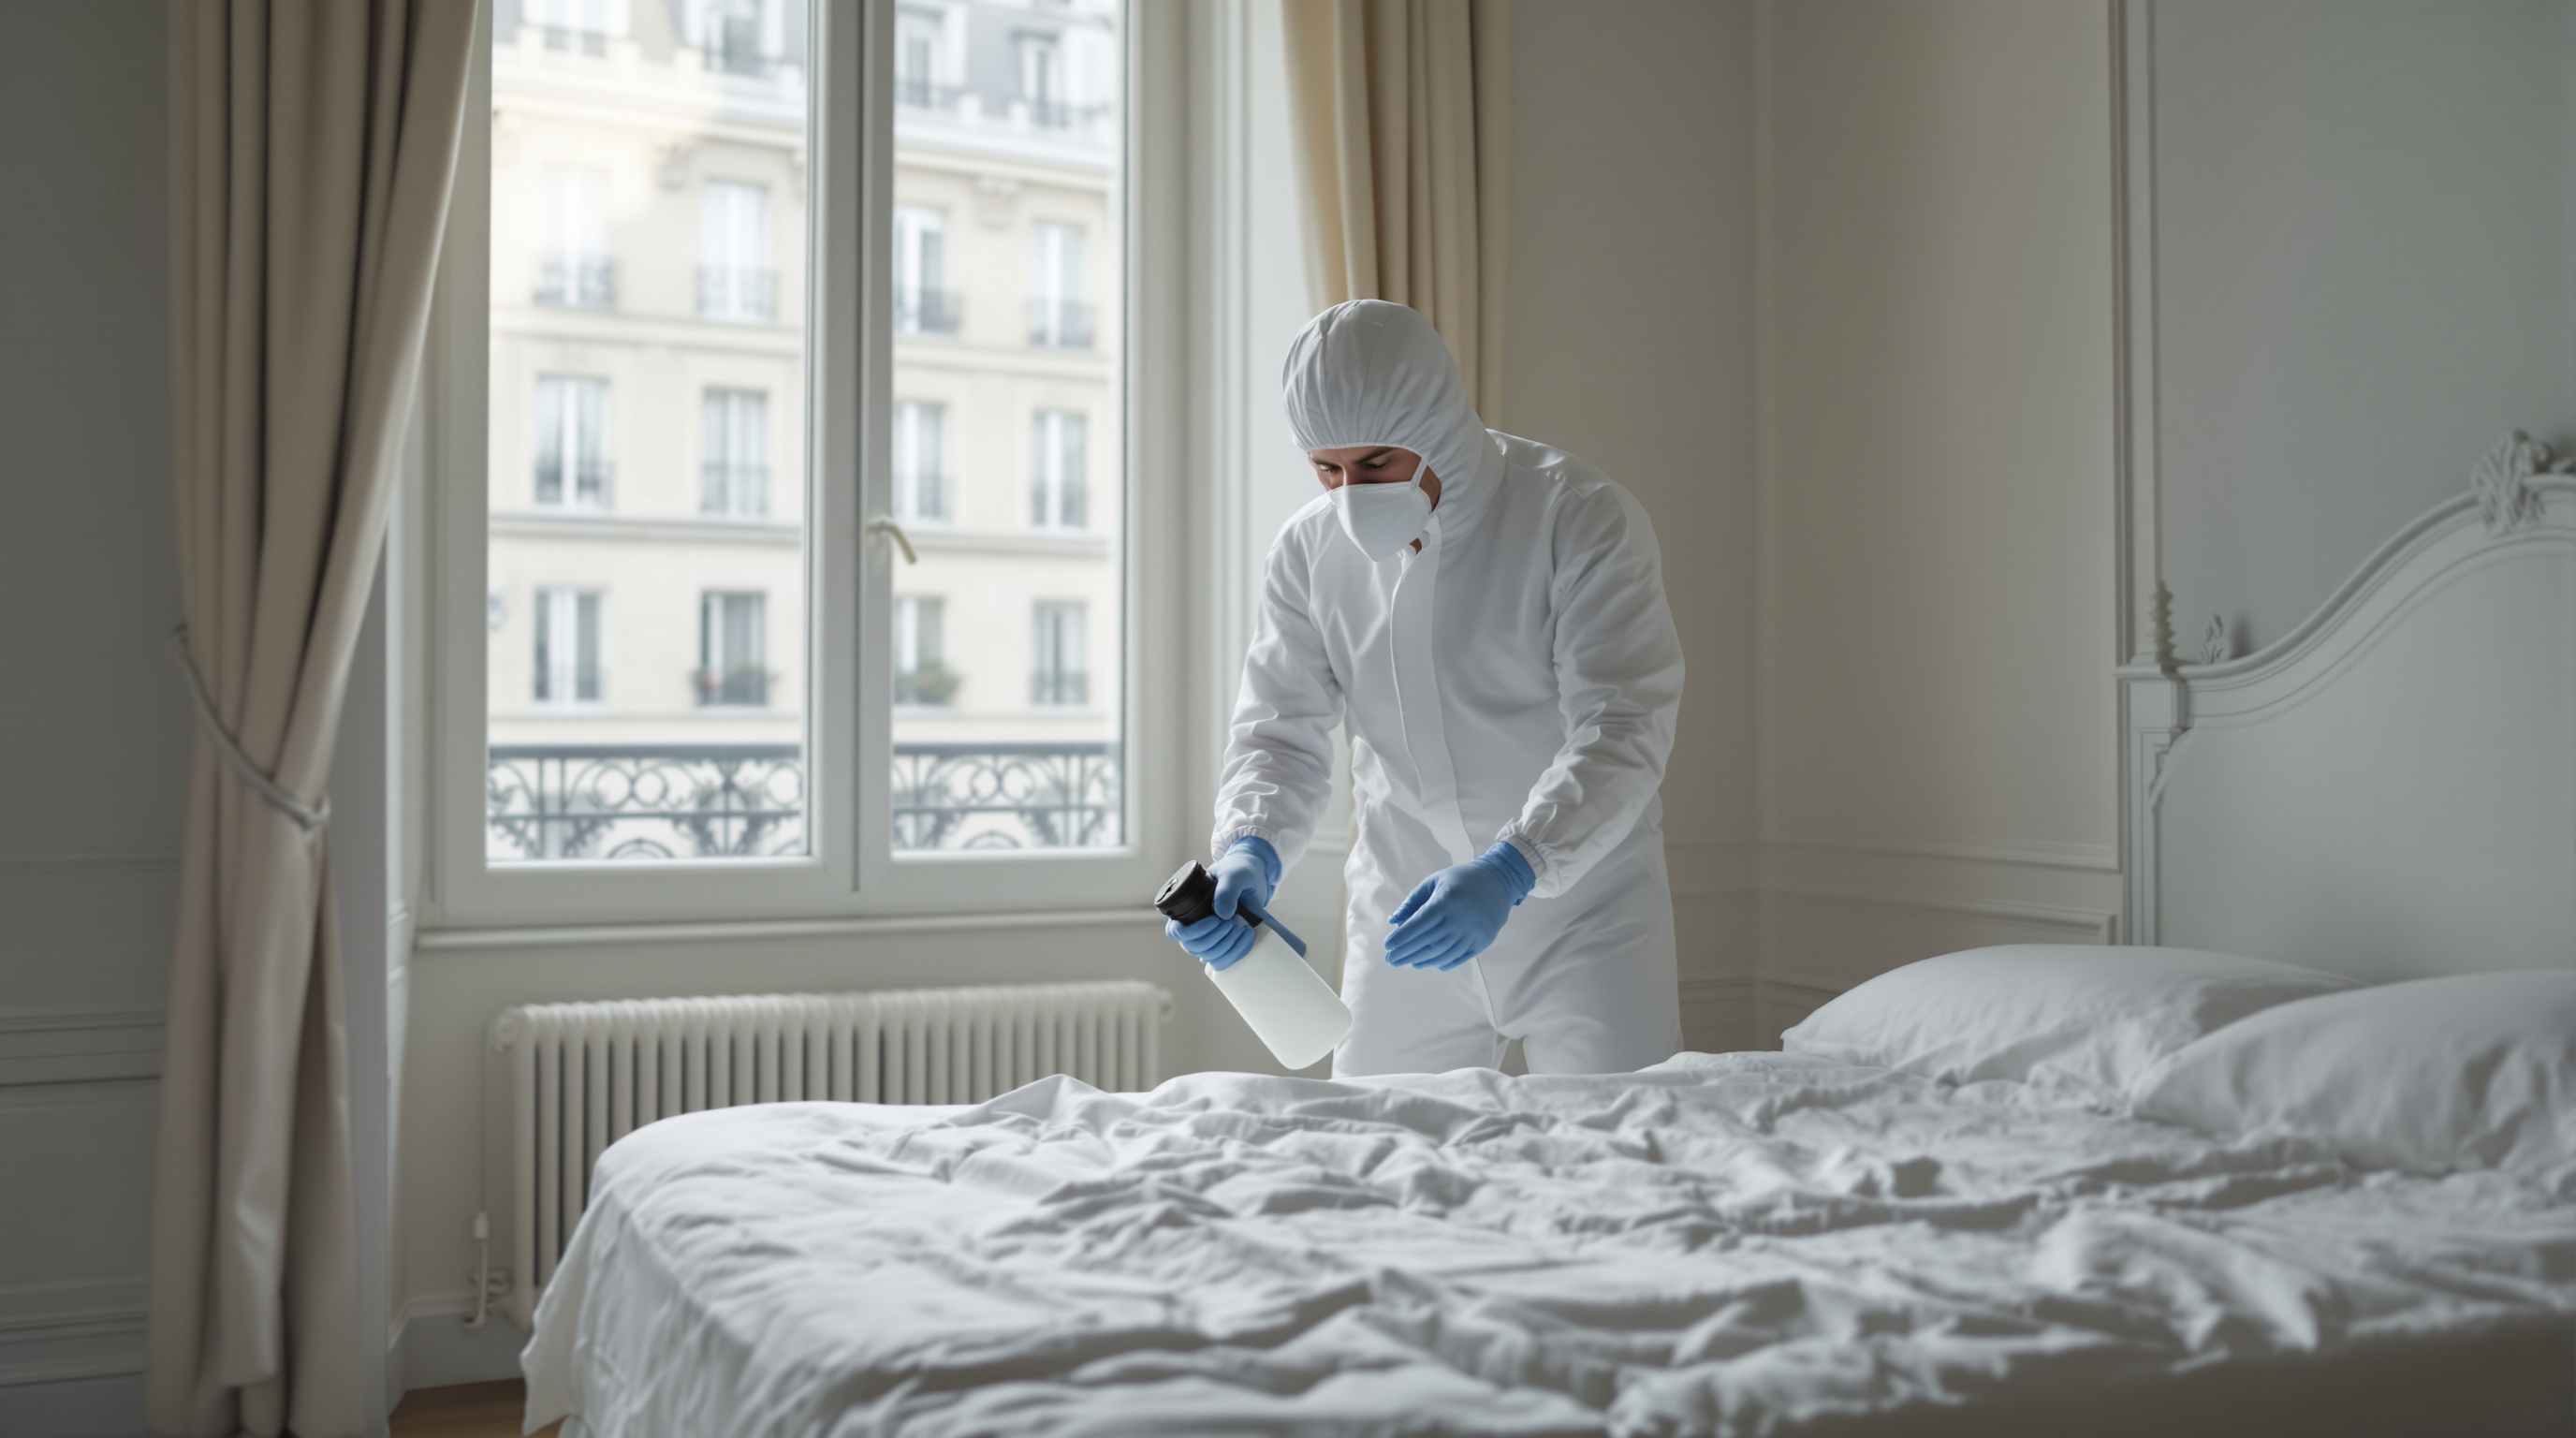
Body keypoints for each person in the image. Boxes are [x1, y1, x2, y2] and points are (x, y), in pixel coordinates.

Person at [1166, 299, 1686, 1076]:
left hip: (1586, 921)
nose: (1349, 492)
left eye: (1376, 464)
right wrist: (1250, 849)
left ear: (1438, 427)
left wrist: (1515, 867)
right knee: (1381, 1163)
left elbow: (1622, 725)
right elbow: (1280, 732)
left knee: (1618, 1163)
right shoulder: (1309, 552)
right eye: (1327, 468)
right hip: (1403, 922)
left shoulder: (1577, 519)